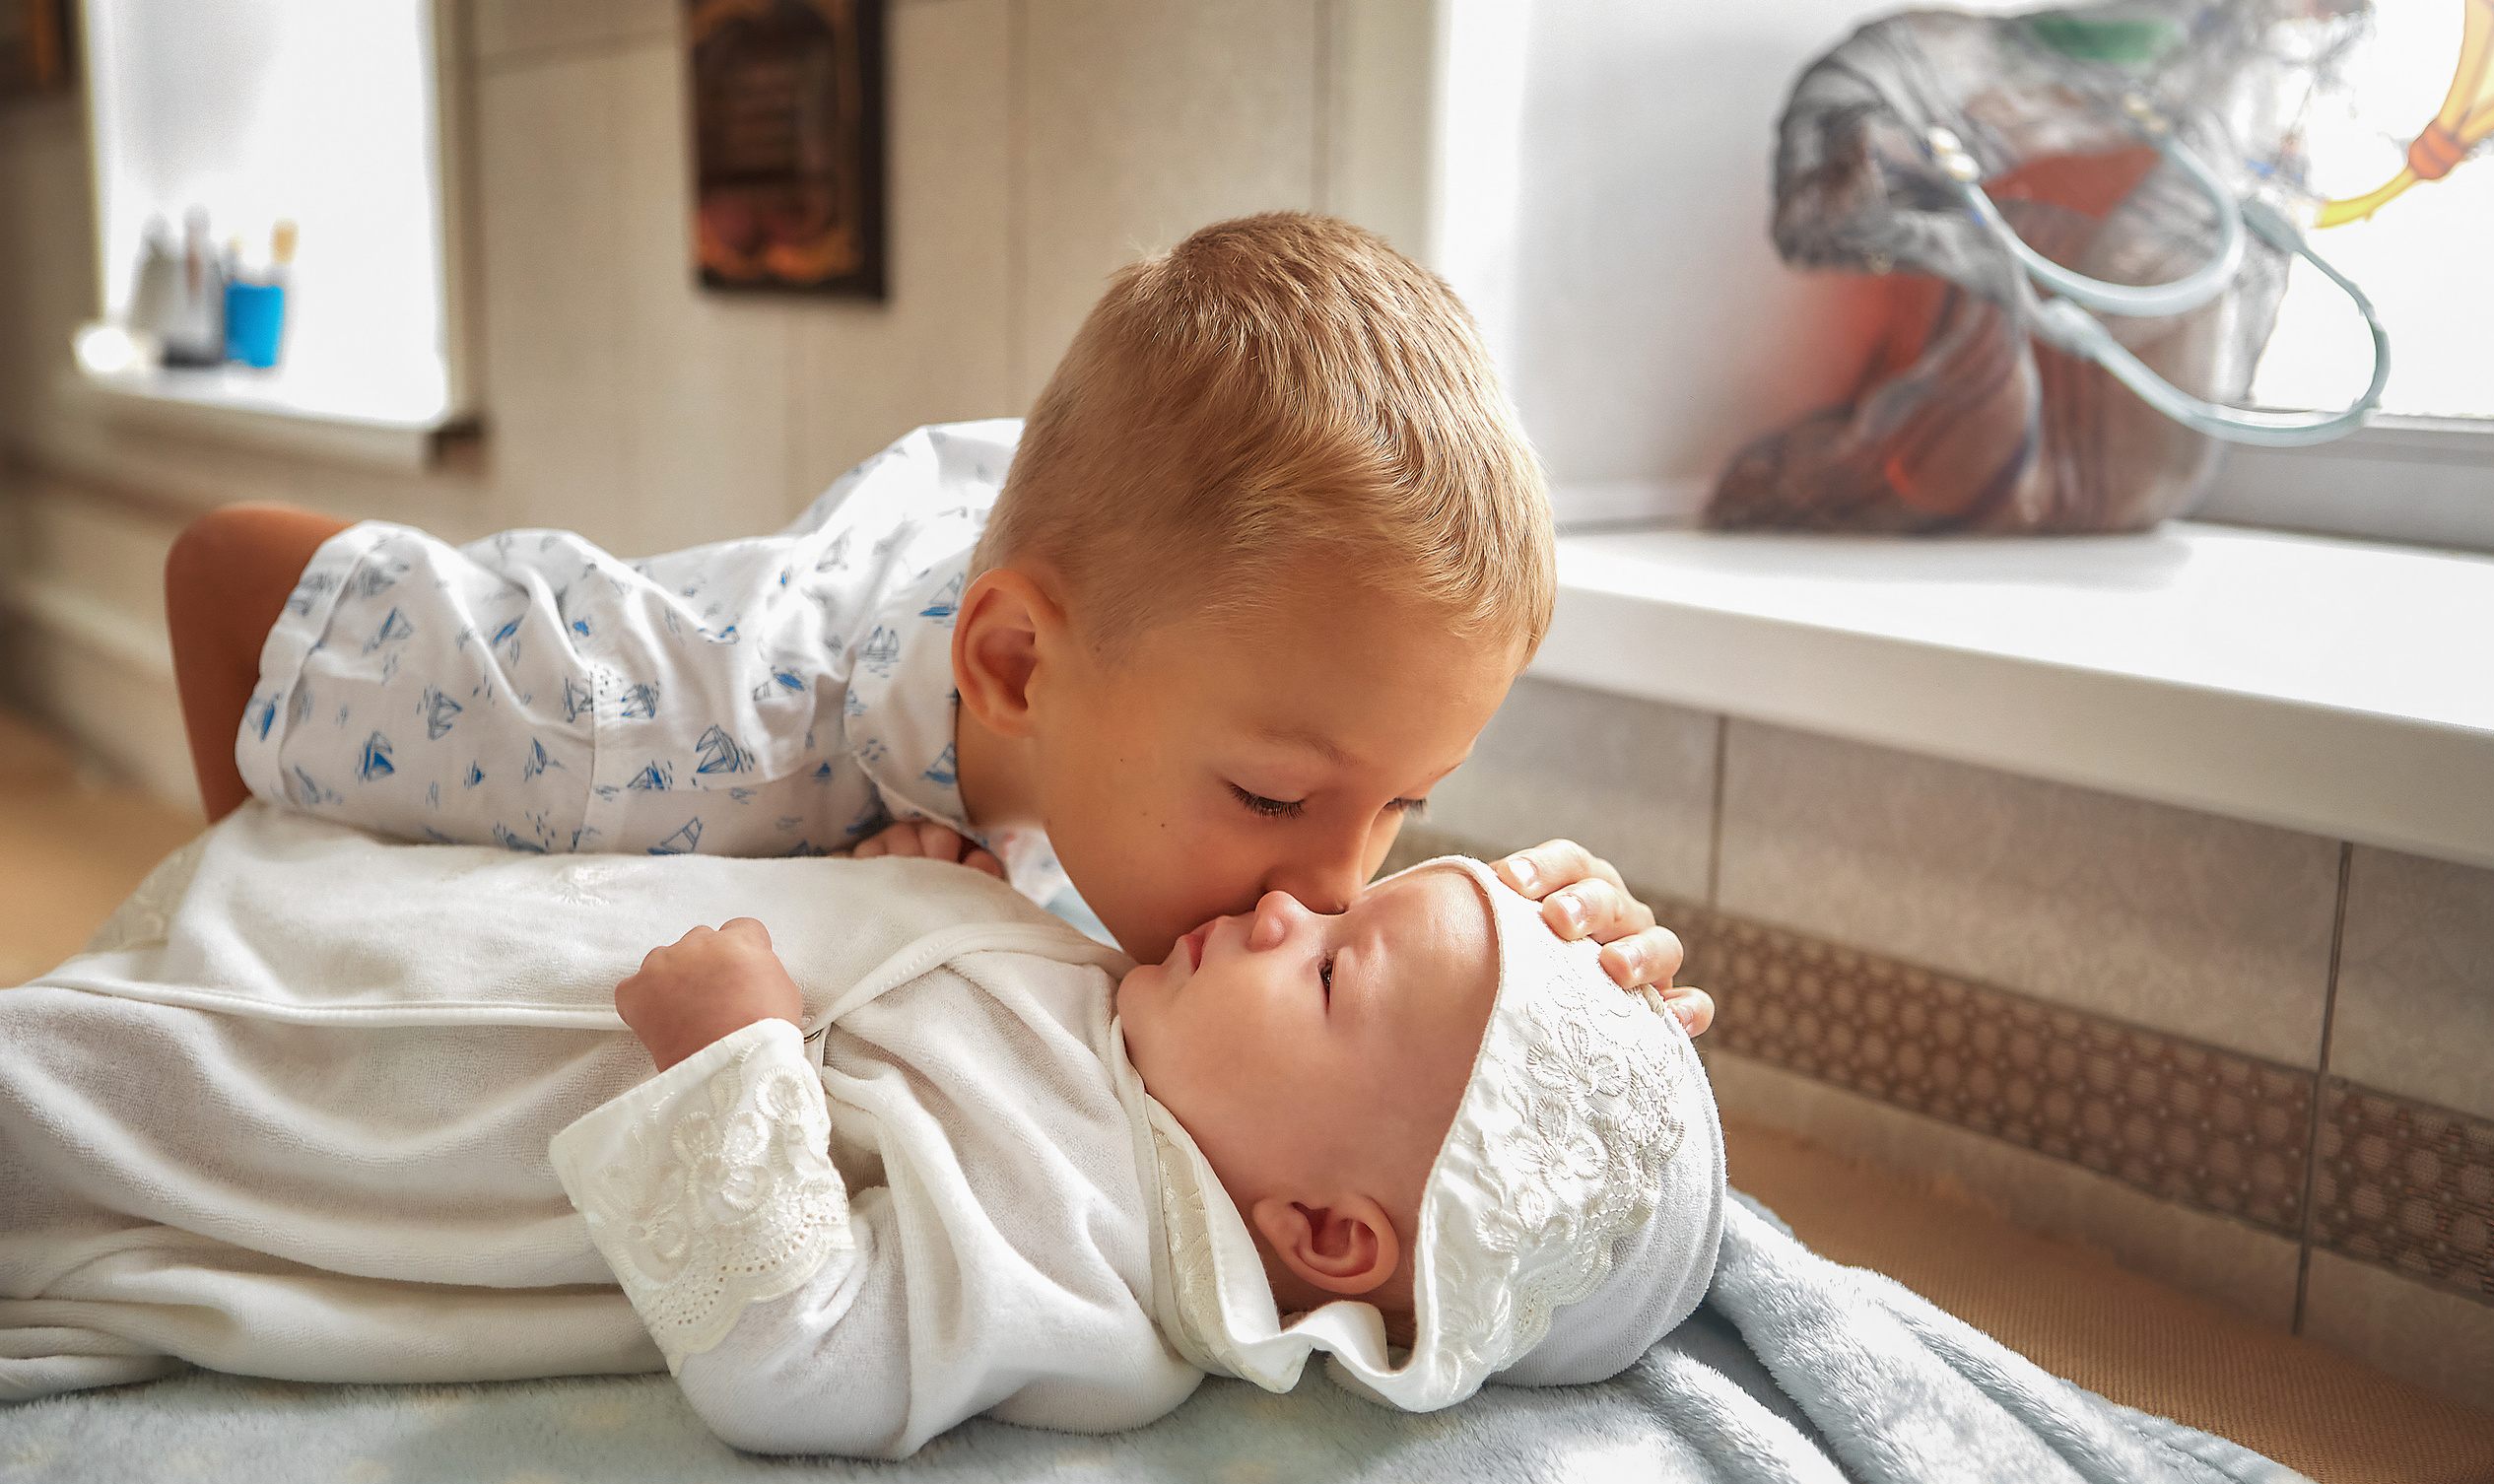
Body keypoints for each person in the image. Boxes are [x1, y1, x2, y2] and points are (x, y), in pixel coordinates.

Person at [159, 213, 1714, 1033]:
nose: (1334, 892)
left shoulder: (1204, 689)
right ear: (1016, 667)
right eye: (1273, 801)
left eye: (1402, 813)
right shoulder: (612, 725)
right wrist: (288, 898)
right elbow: (226, 570)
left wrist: (1526, 957)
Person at [0, 808, 1725, 1458]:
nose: (1287, 908)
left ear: (1330, 1239)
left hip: (411, 1092)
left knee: (99, 1087)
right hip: (422, 945)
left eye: (1337, 974)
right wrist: (931, 895)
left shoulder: (1104, 1275)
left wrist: (737, 1064)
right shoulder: (1157, 1051)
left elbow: (795, 1356)